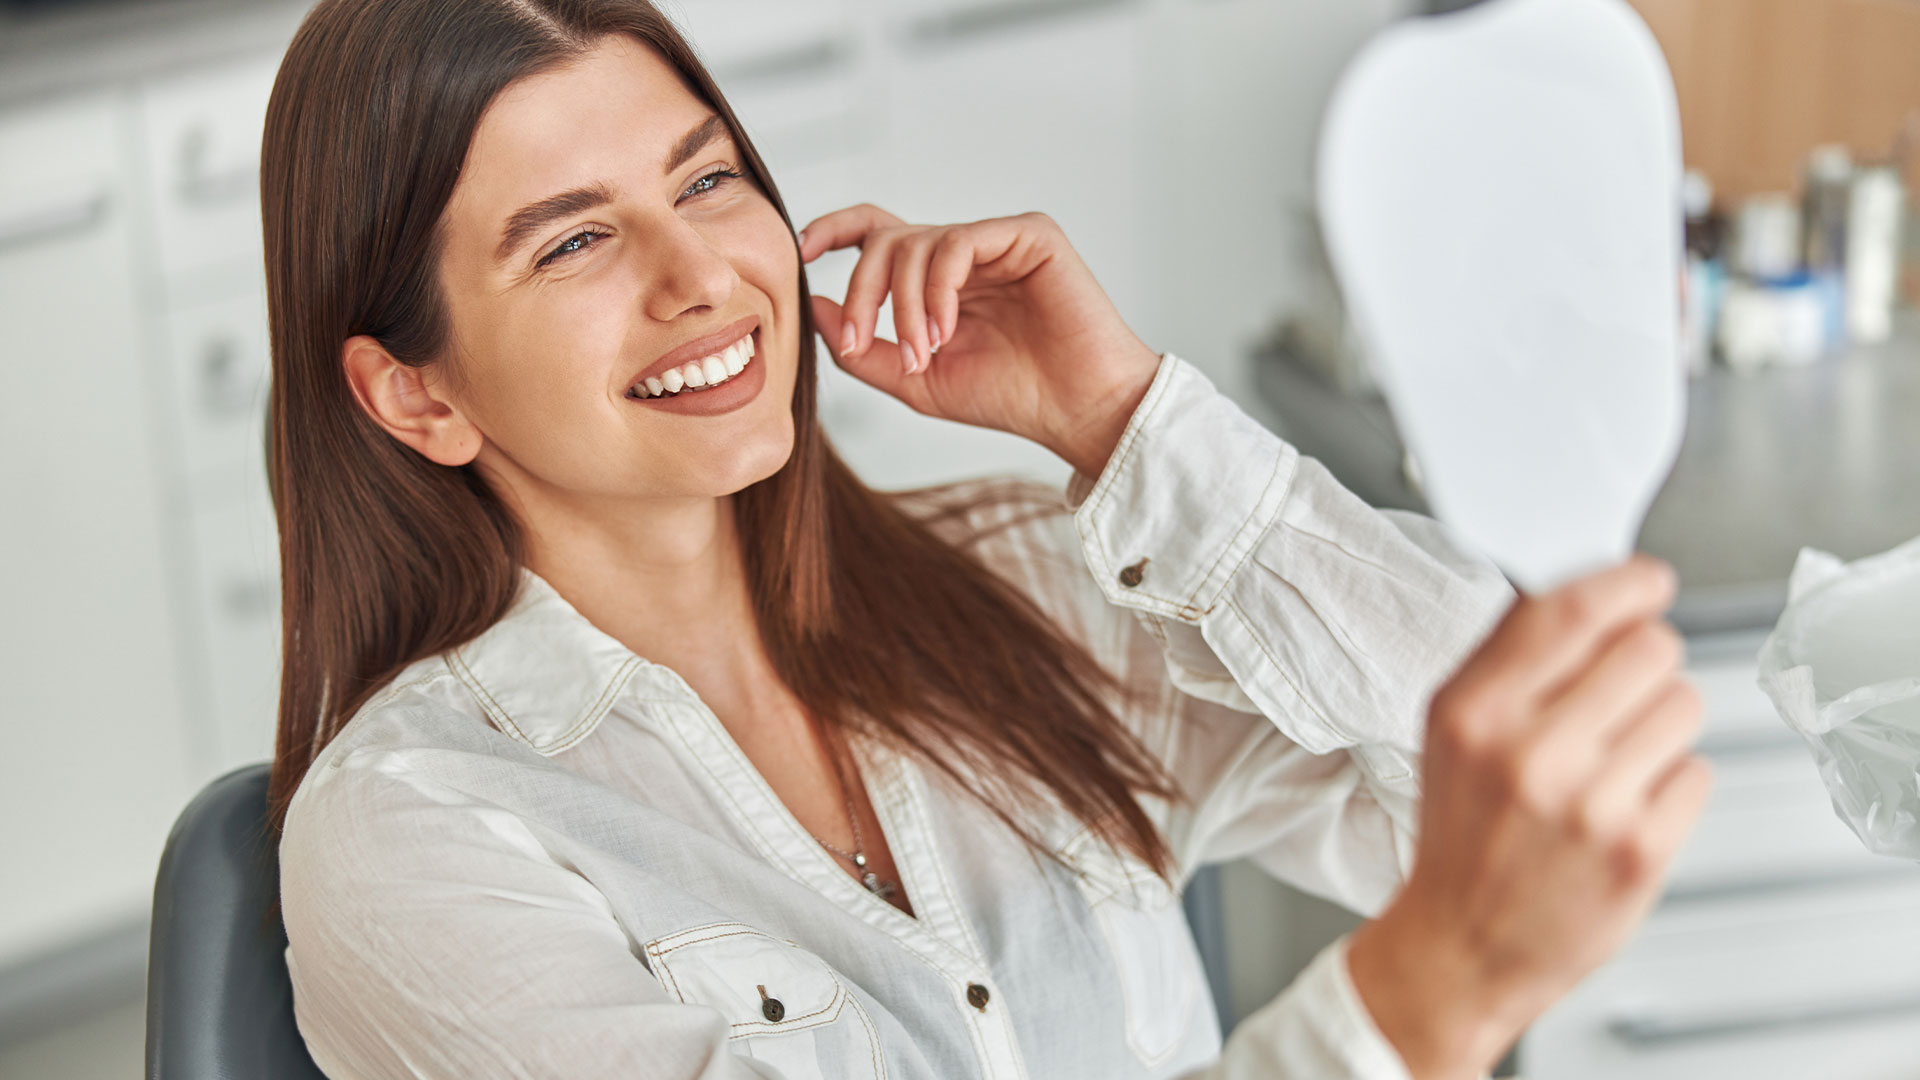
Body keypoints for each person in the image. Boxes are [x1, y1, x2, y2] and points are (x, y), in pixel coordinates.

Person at [260, 1, 1713, 1077]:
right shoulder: (411, 839)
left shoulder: (1021, 583)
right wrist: (1402, 1015)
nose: (703, 275)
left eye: (708, 181)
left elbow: (1489, 775)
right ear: (415, 390)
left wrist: (1126, 418)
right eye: (574, 241)